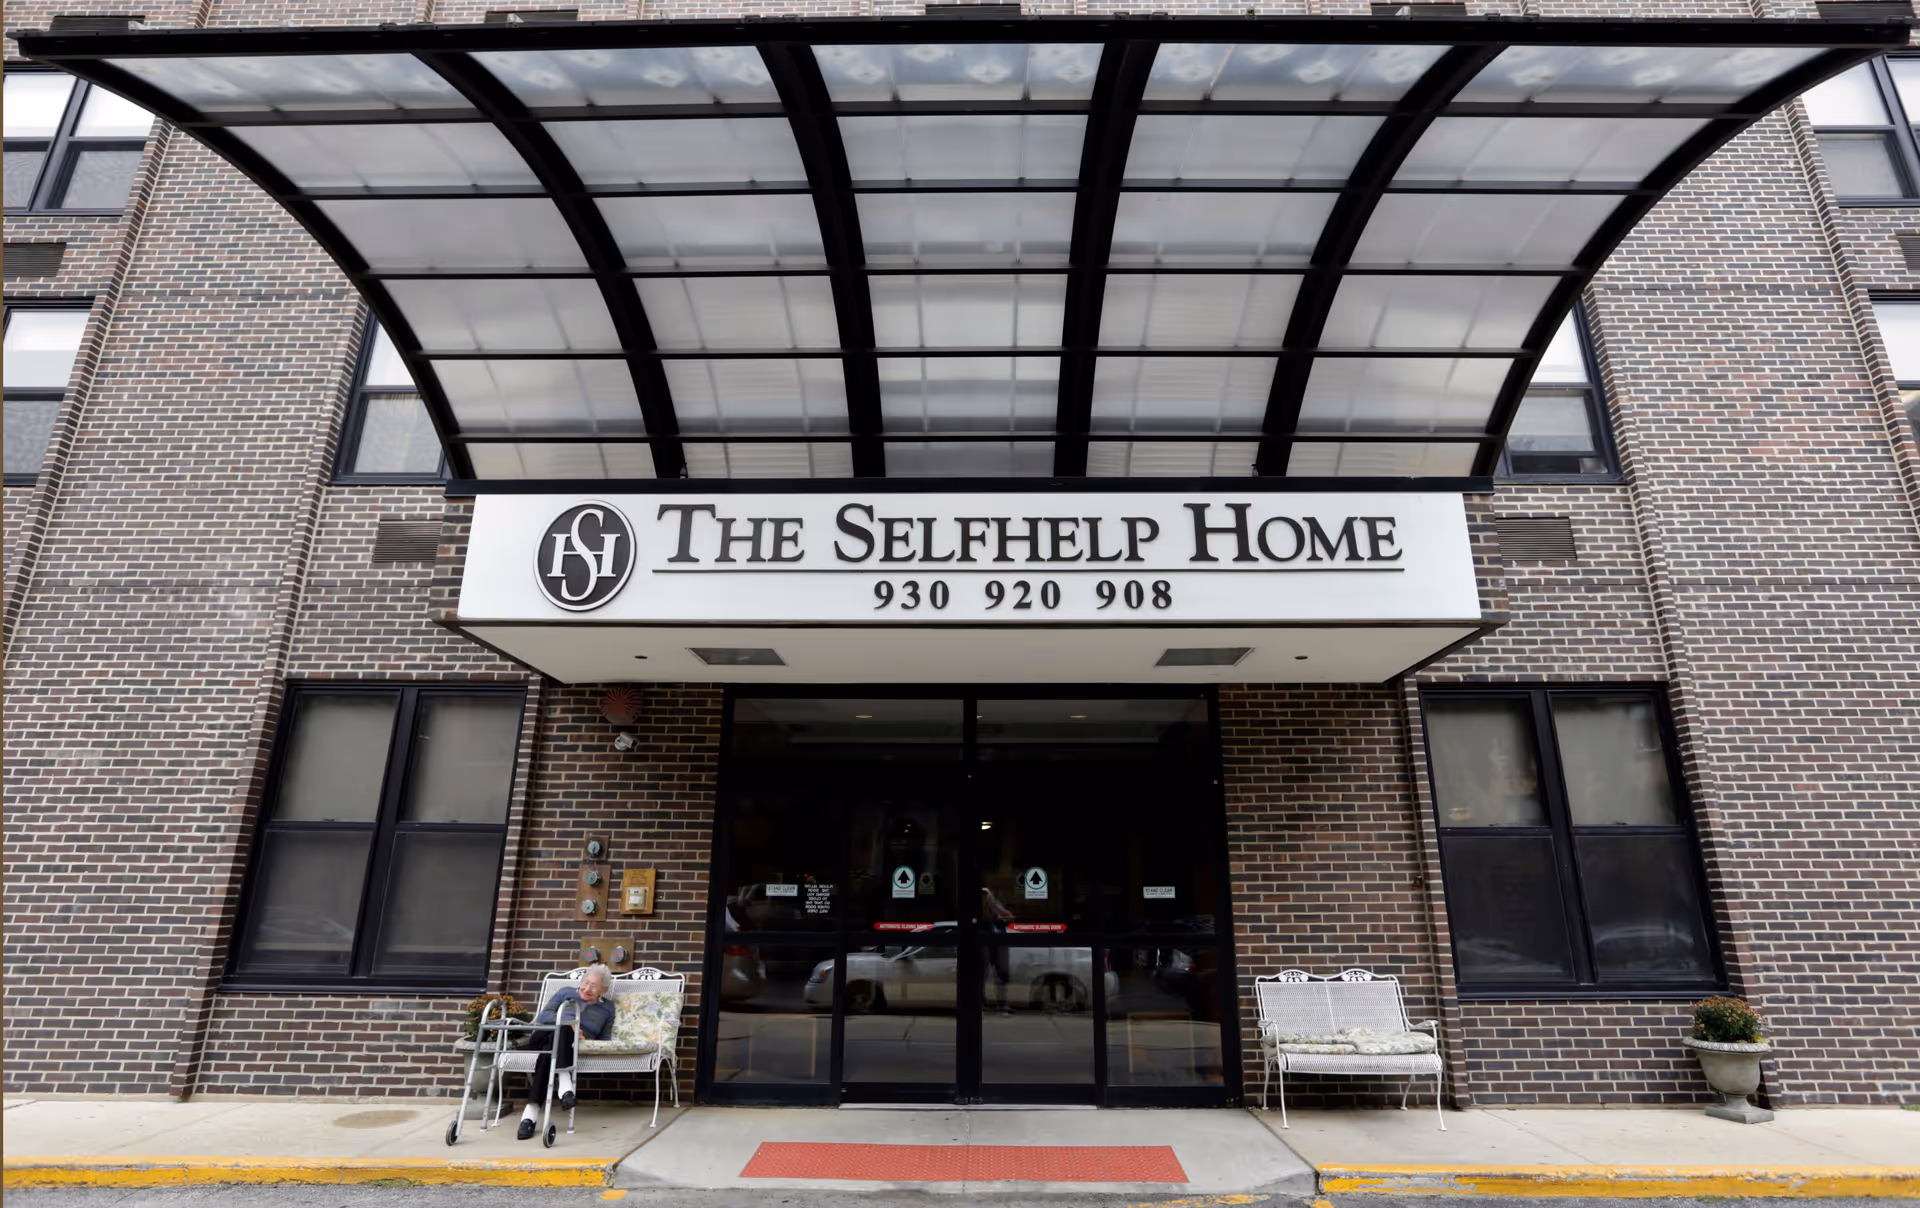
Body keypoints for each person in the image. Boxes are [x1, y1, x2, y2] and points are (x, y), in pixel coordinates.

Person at [516, 964, 615, 1140]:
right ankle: (565, 1086)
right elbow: (543, 1017)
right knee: (563, 1030)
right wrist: (570, 1024)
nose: (587, 988)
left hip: (561, 1046)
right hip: (543, 1035)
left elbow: (605, 1038)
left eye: (594, 986)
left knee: (551, 1051)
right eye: (585, 983)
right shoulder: (566, 992)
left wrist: (588, 1040)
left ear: (604, 990)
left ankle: (529, 1116)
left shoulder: (607, 1008)